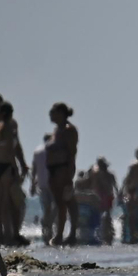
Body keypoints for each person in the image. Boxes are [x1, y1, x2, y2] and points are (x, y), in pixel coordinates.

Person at [0, 100, 29, 244]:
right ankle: (9, 234)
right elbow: (11, 150)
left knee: (0, 201)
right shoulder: (8, 127)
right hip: (7, 167)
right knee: (8, 201)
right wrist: (16, 166)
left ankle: (2, 233)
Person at [46, 103, 79, 245]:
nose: (50, 115)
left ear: (61, 113)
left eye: (53, 112)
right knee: (60, 201)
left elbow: (72, 152)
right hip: (53, 169)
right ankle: (60, 233)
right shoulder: (56, 130)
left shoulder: (69, 130)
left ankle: (66, 234)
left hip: (63, 168)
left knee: (66, 201)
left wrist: (69, 173)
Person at [31, 134, 55, 245]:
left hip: (42, 185)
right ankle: (50, 231)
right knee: (55, 209)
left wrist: (32, 184)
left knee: (46, 209)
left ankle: (46, 231)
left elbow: (34, 169)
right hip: (54, 184)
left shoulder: (37, 151)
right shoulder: (52, 149)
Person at [91, 158, 117, 244]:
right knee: (104, 216)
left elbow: (114, 186)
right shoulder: (97, 174)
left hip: (105, 197)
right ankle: (105, 234)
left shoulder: (100, 175)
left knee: (105, 216)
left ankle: (107, 234)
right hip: (102, 197)